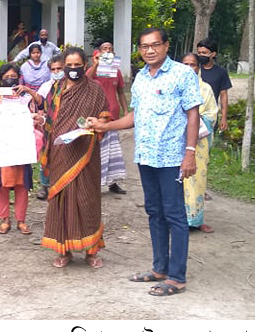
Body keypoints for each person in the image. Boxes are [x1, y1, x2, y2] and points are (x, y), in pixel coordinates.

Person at [93, 28, 200, 296]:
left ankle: (177, 277)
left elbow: (193, 114)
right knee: (154, 211)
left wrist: (190, 152)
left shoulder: (183, 74)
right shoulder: (141, 77)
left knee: (174, 214)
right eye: (144, 46)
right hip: (146, 155)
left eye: (155, 45)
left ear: (166, 45)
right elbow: (135, 116)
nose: (149, 51)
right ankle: (160, 268)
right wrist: (107, 126)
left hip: (172, 157)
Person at [39, 47, 109, 268]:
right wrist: (40, 121)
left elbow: (104, 116)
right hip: (61, 151)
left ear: (85, 65)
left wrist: (96, 124)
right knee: (62, 199)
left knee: (87, 198)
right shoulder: (56, 89)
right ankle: (64, 250)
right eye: (68, 65)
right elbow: (48, 118)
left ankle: (91, 250)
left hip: (86, 152)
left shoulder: (95, 89)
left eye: (77, 65)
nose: (72, 69)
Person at [0, 63, 38, 235]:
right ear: (1, 79)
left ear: (19, 78)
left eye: (13, 76)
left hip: (21, 144)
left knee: (22, 183)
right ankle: (5, 219)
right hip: (1, 145)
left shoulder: (26, 97)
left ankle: (21, 220)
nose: (10, 79)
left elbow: (36, 112)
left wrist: (28, 92)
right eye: (7, 77)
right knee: (0, 183)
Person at [180, 53, 218, 233]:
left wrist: (196, 122)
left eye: (193, 65)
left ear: (198, 67)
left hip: (200, 141)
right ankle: (177, 219)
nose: (189, 68)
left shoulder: (206, 89)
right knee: (176, 178)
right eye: (185, 64)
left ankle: (196, 218)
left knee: (197, 178)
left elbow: (212, 113)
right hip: (177, 140)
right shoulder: (174, 86)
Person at [86, 40, 128, 194]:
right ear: (98, 52)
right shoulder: (94, 70)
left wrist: (125, 110)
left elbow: (121, 92)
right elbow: (86, 81)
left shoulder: (116, 71)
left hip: (113, 116)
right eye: (104, 48)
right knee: (97, 150)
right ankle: (94, 183)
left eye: (110, 49)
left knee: (113, 151)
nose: (108, 51)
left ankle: (113, 182)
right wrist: (95, 65)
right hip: (98, 116)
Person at [32, 54, 65, 200]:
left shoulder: (70, 86)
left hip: (66, 127)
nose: (56, 72)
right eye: (53, 69)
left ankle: (61, 186)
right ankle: (44, 186)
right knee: (46, 156)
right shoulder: (46, 87)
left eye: (59, 69)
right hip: (48, 126)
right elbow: (40, 105)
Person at [196, 38, 231, 132]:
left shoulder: (221, 73)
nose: (201, 55)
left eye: (204, 53)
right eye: (199, 53)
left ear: (213, 54)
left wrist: (224, 117)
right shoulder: (194, 70)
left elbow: (223, 95)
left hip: (209, 116)